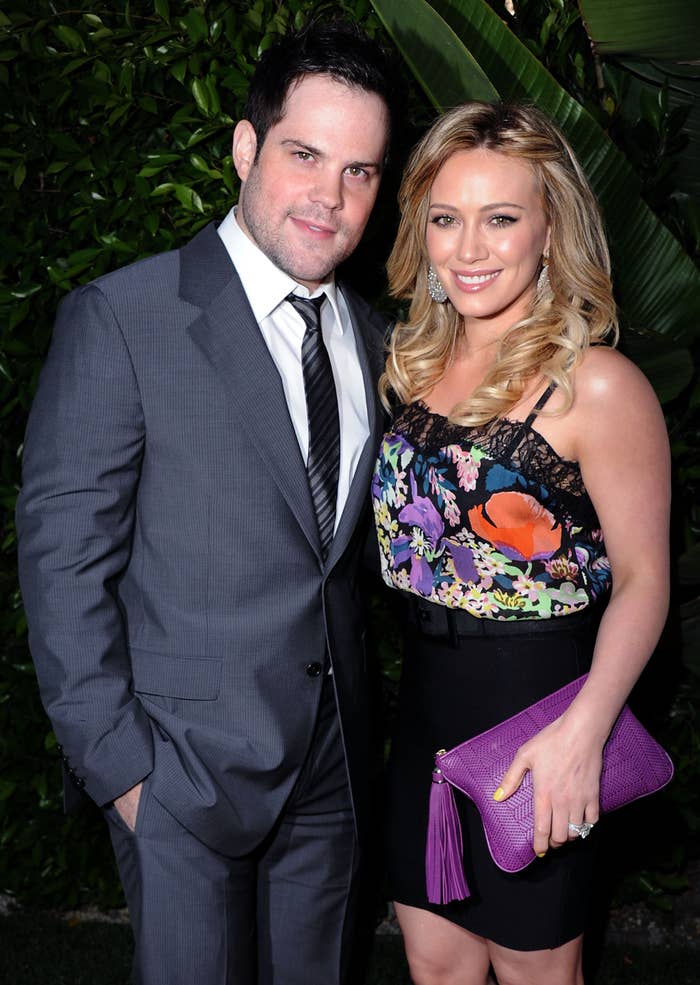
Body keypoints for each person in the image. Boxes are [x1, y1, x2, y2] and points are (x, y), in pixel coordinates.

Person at [16, 19, 395, 985]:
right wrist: (124, 772)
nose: (330, 196)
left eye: (359, 171)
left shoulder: (380, 338)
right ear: (244, 145)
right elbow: (63, 563)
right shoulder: (123, 318)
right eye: (305, 155)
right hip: (180, 771)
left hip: (333, 770)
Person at [371, 102, 670, 985]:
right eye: (446, 218)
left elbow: (647, 579)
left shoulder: (599, 386)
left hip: (540, 722)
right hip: (424, 719)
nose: (469, 249)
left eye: (500, 218)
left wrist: (586, 731)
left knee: (537, 971)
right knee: (436, 966)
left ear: (550, 229)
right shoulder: (411, 366)